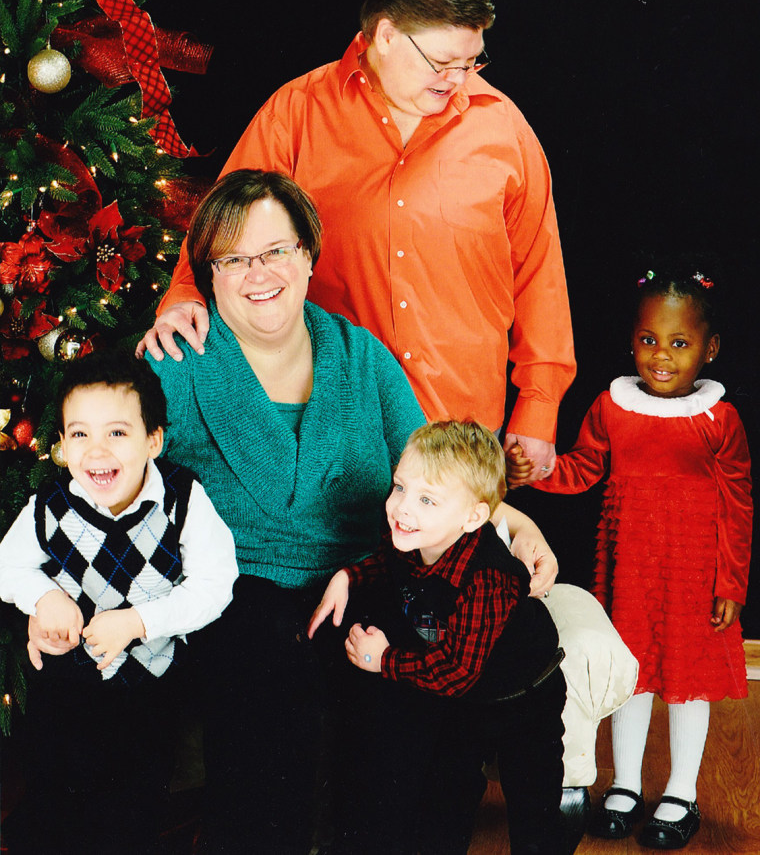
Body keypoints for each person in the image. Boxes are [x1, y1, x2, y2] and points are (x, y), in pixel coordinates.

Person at [28, 170, 558, 853]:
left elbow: (444, 475)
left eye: (277, 251)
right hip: (231, 588)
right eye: (235, 258)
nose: (259, 273)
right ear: (209, 276)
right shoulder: (175, 365)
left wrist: (518, 525)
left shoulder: (362, 359)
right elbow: (105, 496)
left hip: (363, 574)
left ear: (309, 256)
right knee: (269, 667)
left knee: (408, 689)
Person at [138, 0, 576, 480]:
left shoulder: (504, 127)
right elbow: (223, 225)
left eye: (471, 62)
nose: (458, 81)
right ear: (387, 35)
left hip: (462, 436)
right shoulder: (296, 113)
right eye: (442, 62)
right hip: (328, 432)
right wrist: (182, 295)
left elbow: (540, 275)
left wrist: (539, 405)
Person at [507, 260, 753, 850]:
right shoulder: (612, 408)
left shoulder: (720, 420)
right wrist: (535, 470)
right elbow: (581, 469)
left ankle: (682, 793)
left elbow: (739, 503)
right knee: (633, 675)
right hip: (631, 569)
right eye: (648, 340)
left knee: (688, 684)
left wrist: (731, 583)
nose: (661, 355)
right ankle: (626, 786)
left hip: (695, 574)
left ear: (709, 349)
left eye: (679, 342)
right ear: (632, 342)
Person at [0, 351, 238, 855]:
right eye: (80, 435)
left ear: (154, 439)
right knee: (53, 796)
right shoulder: (49, 507)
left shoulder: (182, 499)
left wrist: (138, 621)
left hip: (146, 691)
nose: (97, 452)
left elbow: (216, 582)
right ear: (62, 445)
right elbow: (7, 564)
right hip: (64, 685)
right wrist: (44, 598)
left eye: (117, 433)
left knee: (131, 809)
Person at [309, 421, 567, 855]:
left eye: (427, 499)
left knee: (533, 801)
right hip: (469, 699)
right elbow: (385, 563)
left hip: (523, 694)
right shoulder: (416, 535)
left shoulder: (487, 578)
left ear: (473, 517)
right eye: (400, 488)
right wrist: (347, 576)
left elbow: (455, 672)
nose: (403, 508)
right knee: (446, 797)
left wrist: (382, 659)